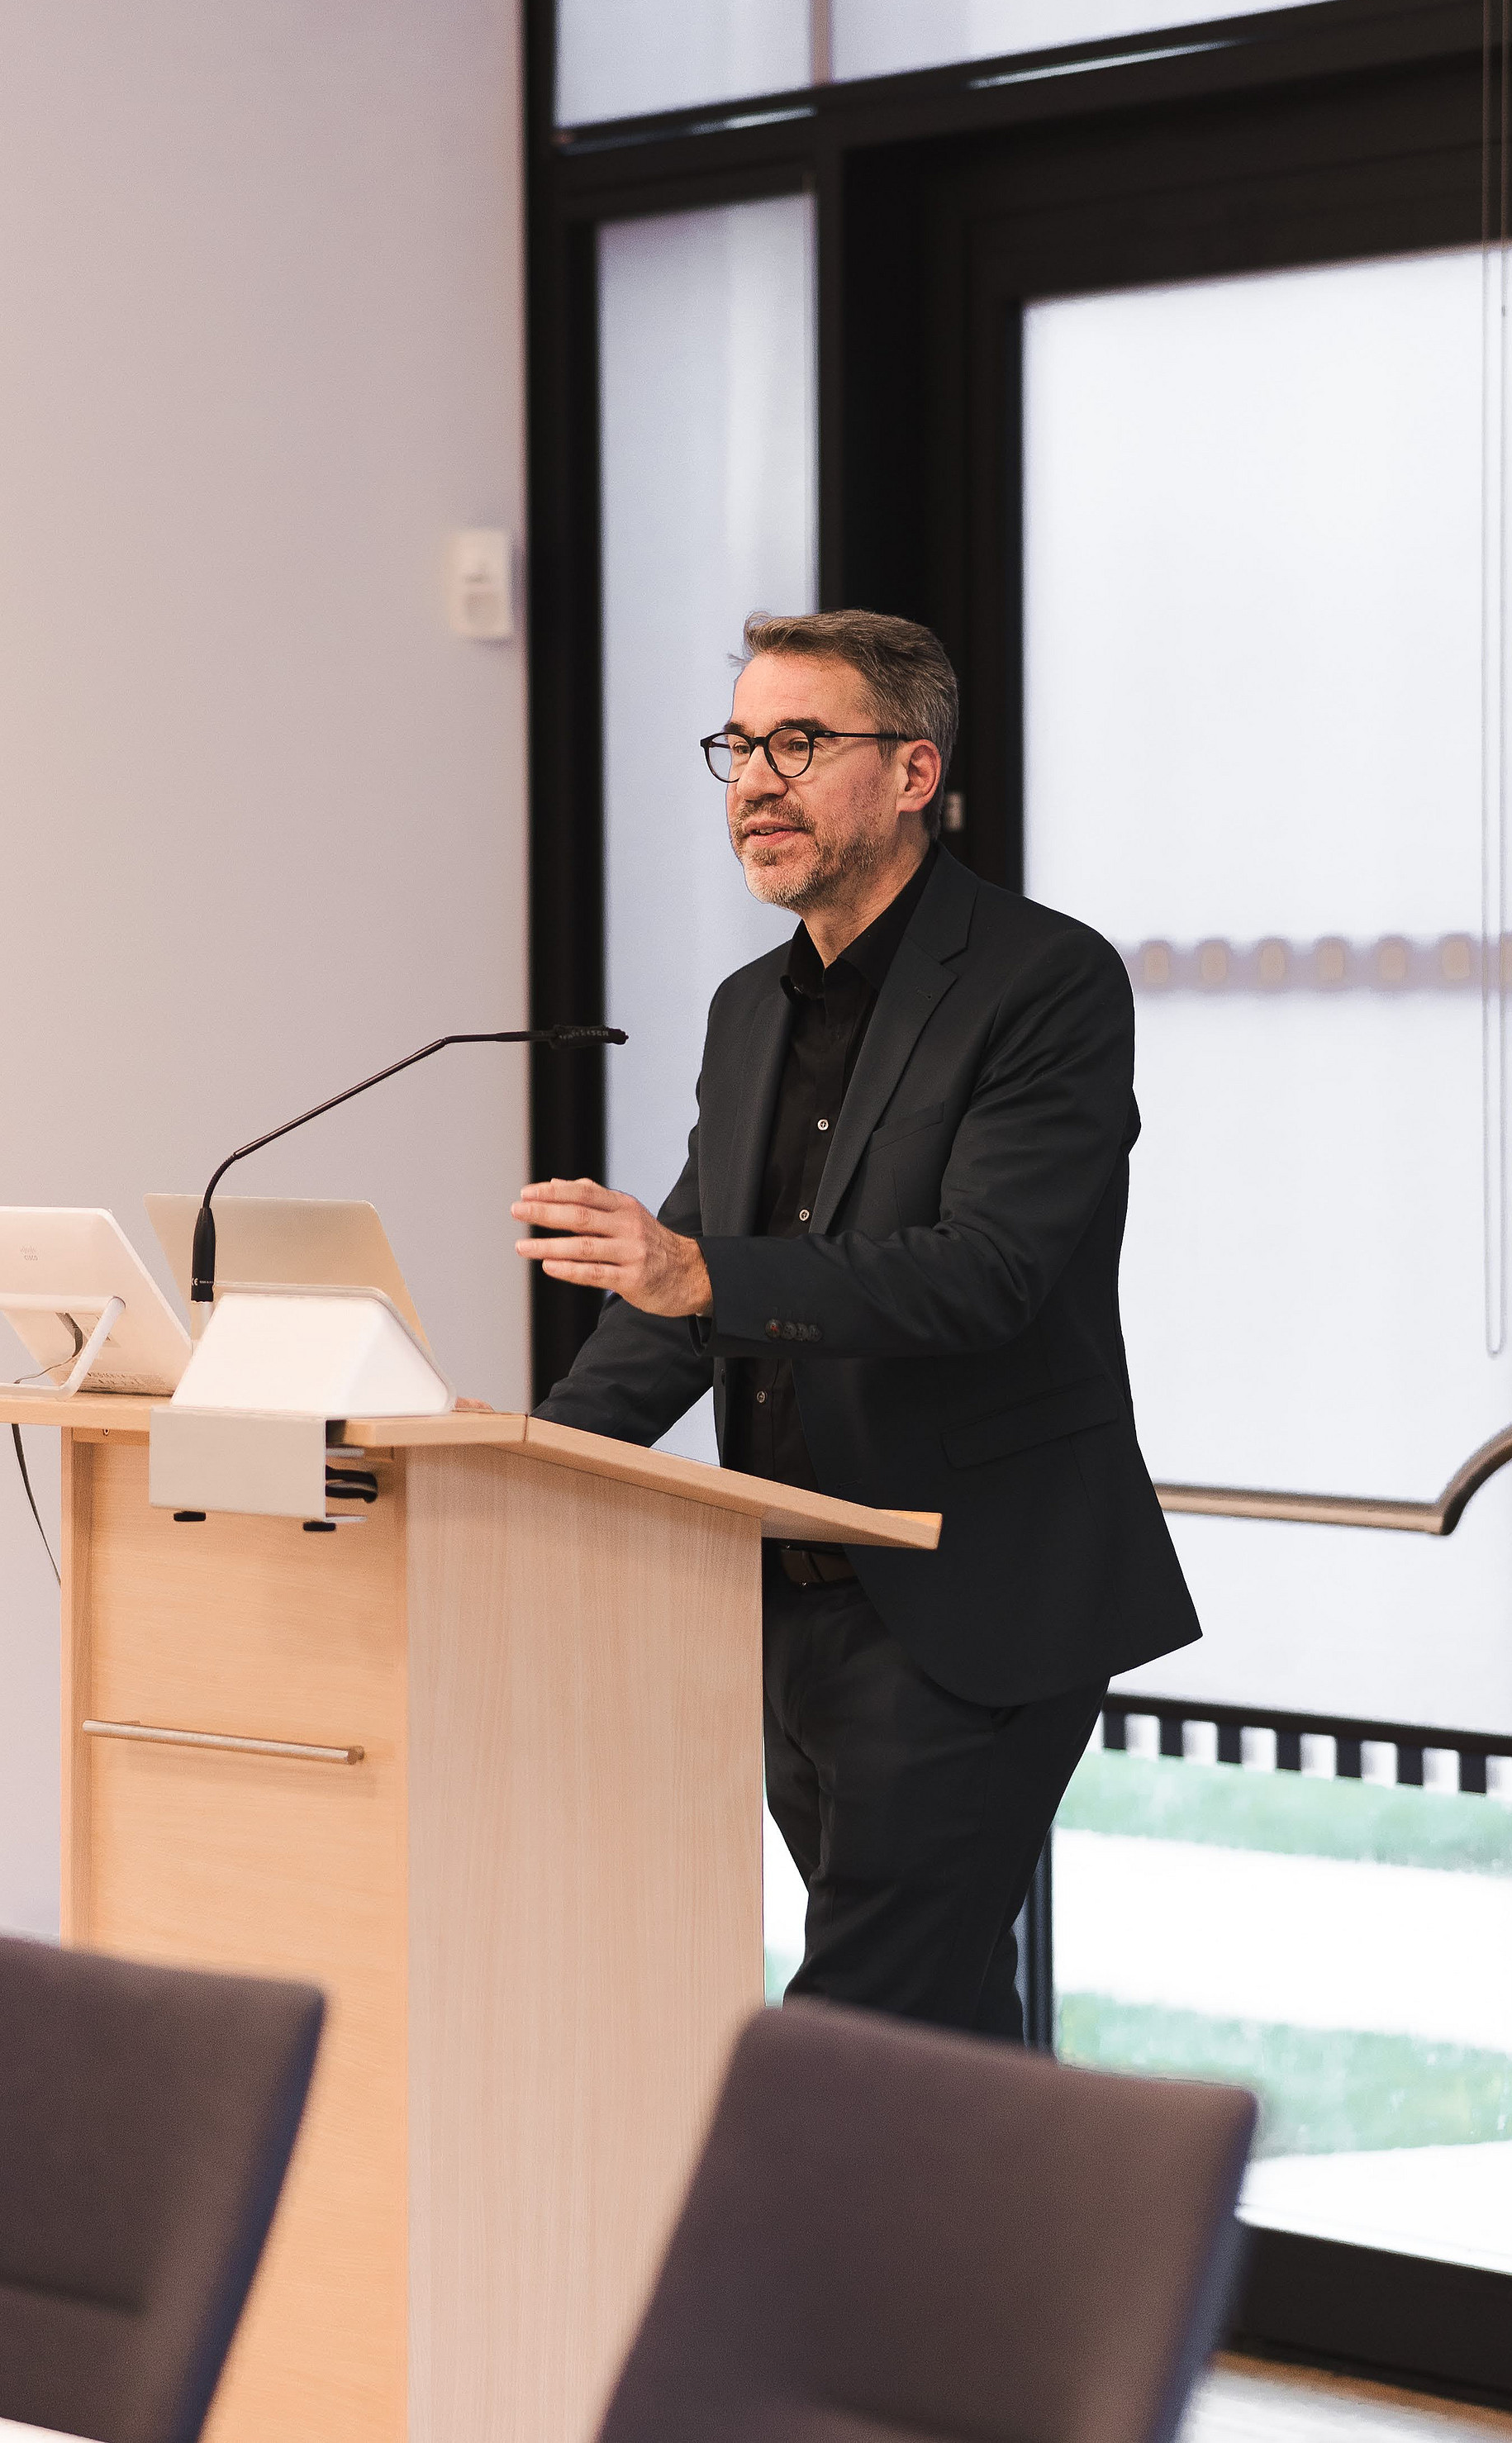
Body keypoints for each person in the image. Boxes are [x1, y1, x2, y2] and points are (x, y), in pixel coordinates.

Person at [512, 606, 1199, 2040]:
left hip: (973, 1600)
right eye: (738, 746)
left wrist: (704, 1277)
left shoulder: (1043, 981)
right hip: (790, 1603)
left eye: (799, 744)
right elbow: (682, 1292)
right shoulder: (748, 1011)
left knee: (852, 2029)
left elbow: (984, 1273)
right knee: (938, 2031)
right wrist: (525, 1464)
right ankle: (1030, 2201)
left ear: (912, 772)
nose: (754, 784)